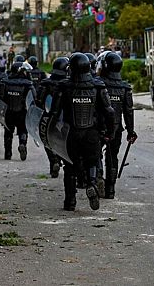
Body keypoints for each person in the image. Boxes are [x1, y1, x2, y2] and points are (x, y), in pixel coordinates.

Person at [49, 53, 115, 211]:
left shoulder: (64, 86)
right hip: (91, 133)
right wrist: (110, 132)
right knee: (92, 161)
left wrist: (50, 133)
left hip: (70, 133)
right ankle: (91, 183)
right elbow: (109, 112)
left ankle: (70, 201)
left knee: (70, 167)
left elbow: (54, 113)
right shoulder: (98, 86)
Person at [99, 52, 136, 199]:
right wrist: (131, 131)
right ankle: (110, 190)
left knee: (95, 155)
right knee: (112, 157)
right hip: (116, 128)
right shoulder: (125, 87)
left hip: (99, 127)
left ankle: (97, 179)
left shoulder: (99, 84)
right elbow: (129, 111)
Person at [36, 57, 69, 178]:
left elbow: (38, 101)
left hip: (48, 118)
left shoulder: (46, 83)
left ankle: (53, 161)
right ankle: (63, 163)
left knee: (47, 141)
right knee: (64, 142)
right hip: (65, 120)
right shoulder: (68, 85)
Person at [1, 61, 34, 161]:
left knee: (8, 132)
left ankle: (8, 153)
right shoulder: (27, 84)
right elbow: (34, 98)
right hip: (22, 112)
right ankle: (22, 144)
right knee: (23, 130)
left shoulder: (5, 82)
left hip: (8, 112)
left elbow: (1, 97)